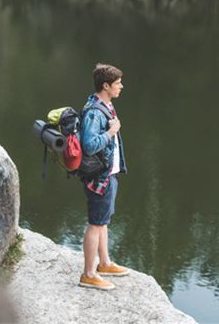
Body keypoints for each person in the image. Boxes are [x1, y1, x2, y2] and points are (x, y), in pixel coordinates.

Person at [78, 63, 129, 291]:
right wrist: (111, 132)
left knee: (103, 221)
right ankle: (88, 274)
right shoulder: (94, 112)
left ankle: (105, 263)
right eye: (118, 84)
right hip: (99, 178)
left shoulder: (105, 105)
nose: (121, 87)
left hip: (109, 175)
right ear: (106, 86)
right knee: (95, 224)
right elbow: (89, 146)